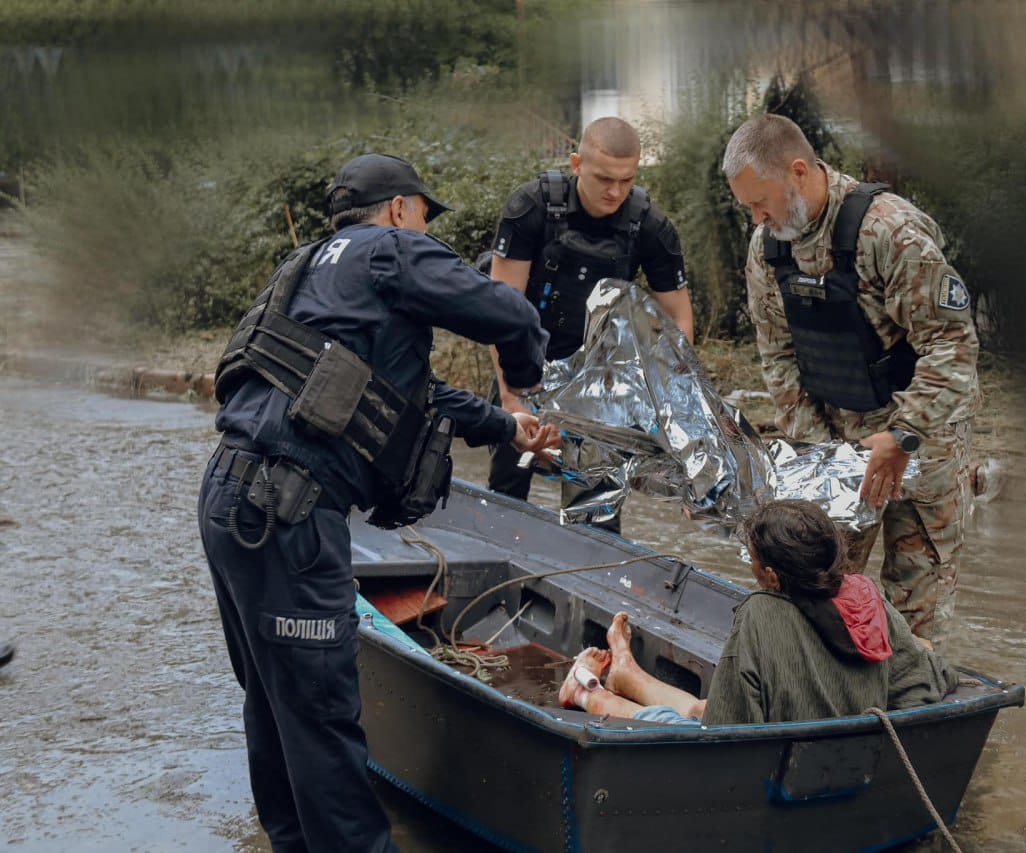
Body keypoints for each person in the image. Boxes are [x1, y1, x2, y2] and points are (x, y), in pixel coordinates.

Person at [198, 153, 553, 853]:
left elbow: (403, 396)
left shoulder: (308, 271)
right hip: (291, 511)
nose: (427, 231)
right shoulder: (392, 248)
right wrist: (524, 377)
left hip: (229, 499)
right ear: (398, 209)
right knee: (323, 714)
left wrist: (506, 427)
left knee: (277, 706)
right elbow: (506, 312)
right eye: (425, 214)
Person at [721, 114, 981, 642]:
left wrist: (903, 435)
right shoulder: (769, 248)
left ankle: (905, 709)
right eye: (747, 206)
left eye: (760, 201)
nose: (756, 217)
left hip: (922, 437)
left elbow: (951, 344)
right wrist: (819, 454)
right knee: (819, 587)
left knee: (916, 601)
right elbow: (778, 355)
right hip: (836, 436)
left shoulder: (888, 231)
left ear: (798, 172)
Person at [558, 500, 958, 725]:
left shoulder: (760, 614)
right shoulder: (869, 599)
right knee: (700, 707)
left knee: (681, 719)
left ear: (770, 574)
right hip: (840, 752)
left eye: (751, 559)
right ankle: (629, 673)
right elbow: (930, 681)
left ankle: (588, 692)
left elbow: (725, 727)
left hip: (769, 759)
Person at [486, 116, 693, 532]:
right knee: (506, 494)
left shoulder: (651, 227)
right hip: (525, 361)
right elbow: (500, 310)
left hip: (602, 378)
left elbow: (679, 322)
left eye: (626, 180)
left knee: (597, 512)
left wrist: (658, 403)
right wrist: (511, 400)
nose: (615, 191)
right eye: (603, 178)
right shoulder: (531, 208)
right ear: (577, 163)